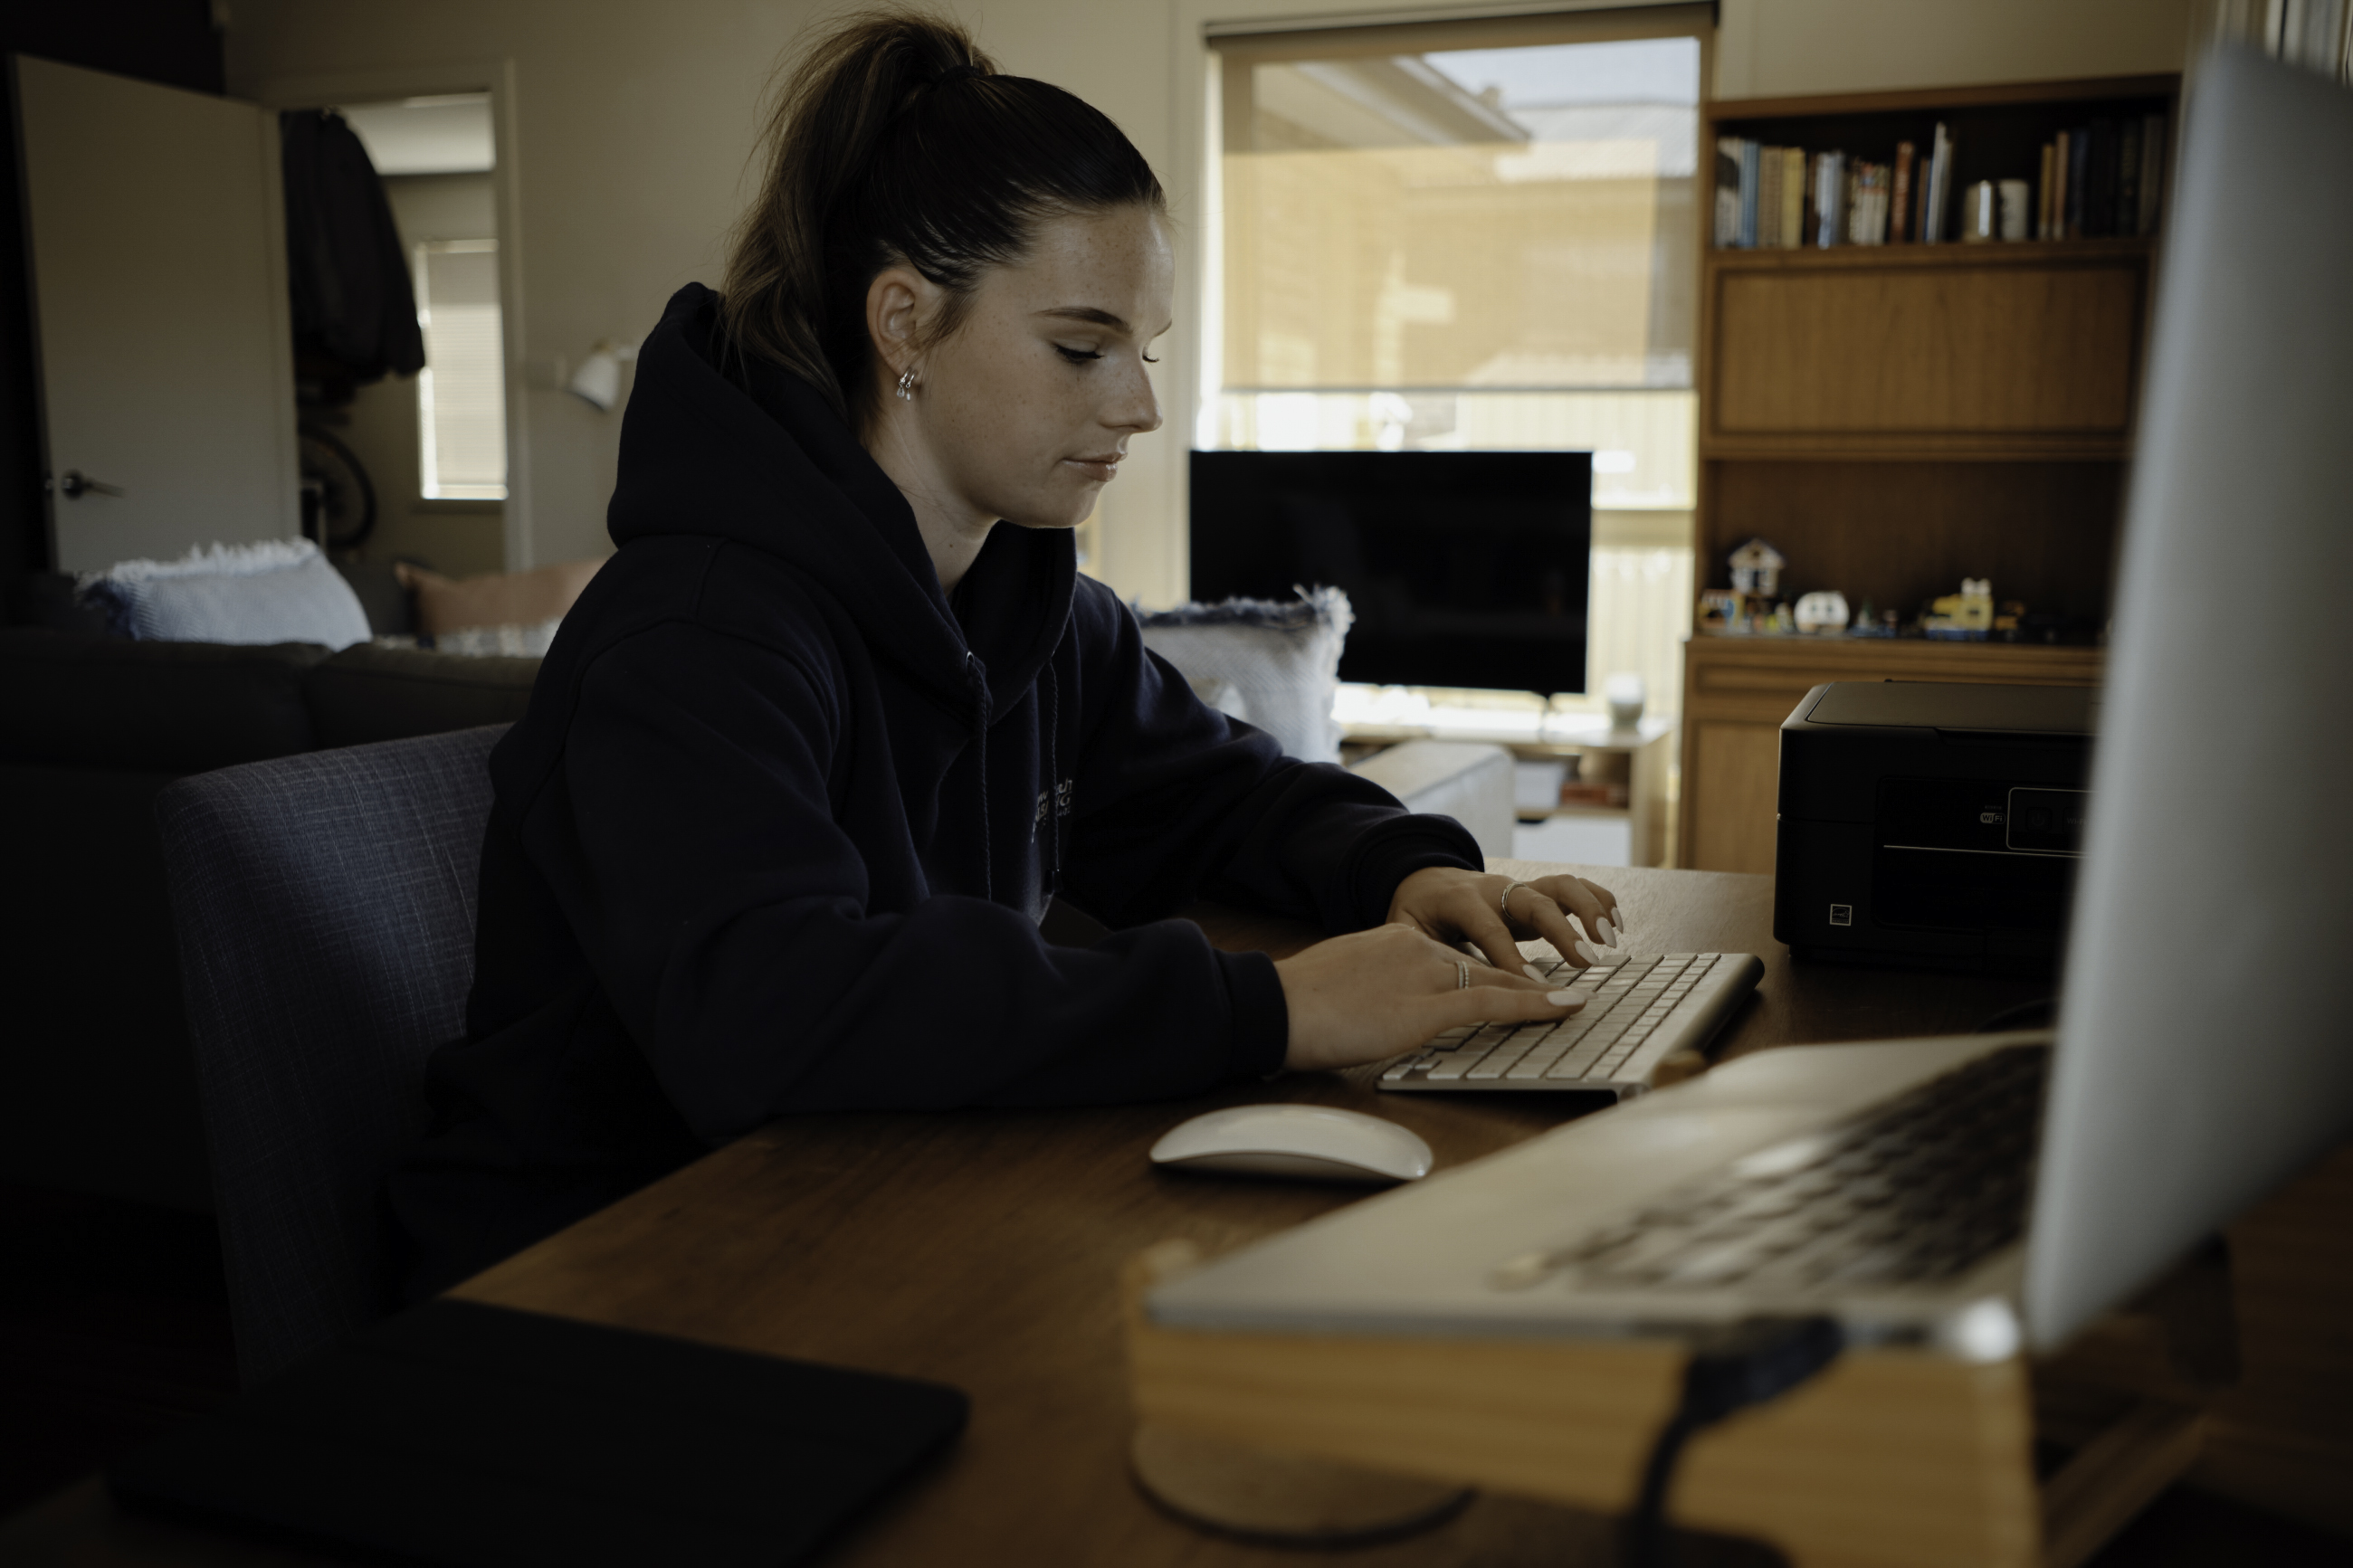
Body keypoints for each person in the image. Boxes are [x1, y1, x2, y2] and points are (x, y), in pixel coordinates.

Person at [386, 12, 1623, 1300]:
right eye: (1081, 349)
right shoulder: (696, 632)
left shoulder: (1034, 605)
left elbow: (1225, 796)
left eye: (1141, 353)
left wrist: (1402, 867)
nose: (1138, 405)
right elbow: (771, 1013)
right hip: (597, 1270)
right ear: (905, 322)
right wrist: (1273, 1012)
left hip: (868, 1202)